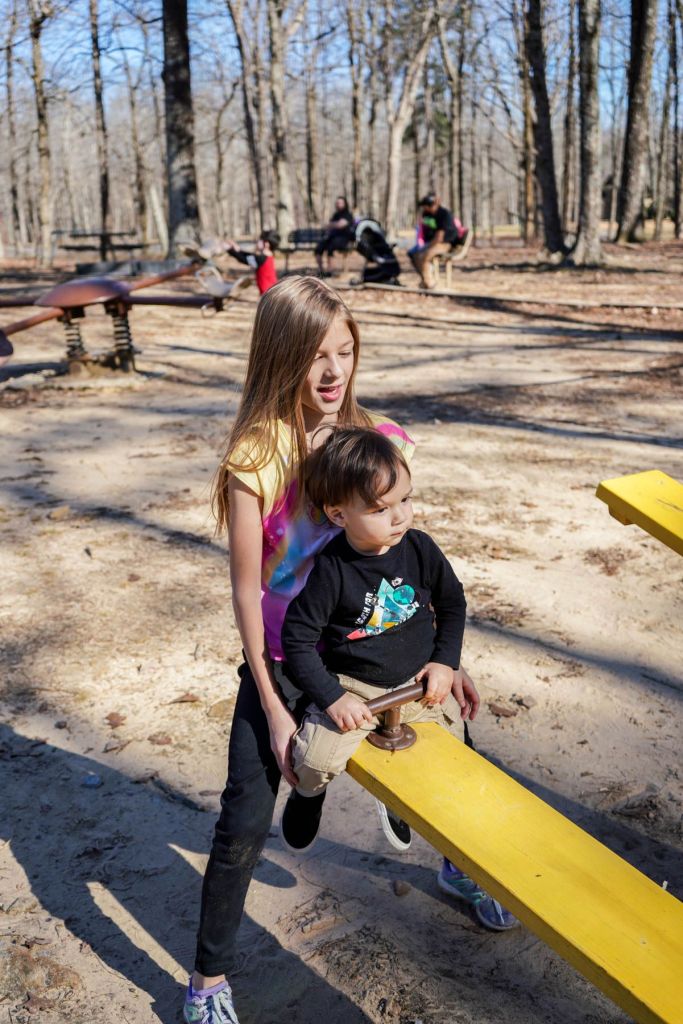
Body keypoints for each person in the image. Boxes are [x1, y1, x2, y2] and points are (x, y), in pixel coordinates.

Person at [183, 276, 416, 1024]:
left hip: (365, 645)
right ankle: (207, 982)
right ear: (281, 357)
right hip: (286, 657)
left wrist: (442, 657)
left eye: (345, 351)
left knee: (452, 748)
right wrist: (278, 709)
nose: (332, 371)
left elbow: (403, 553)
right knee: (244, 822)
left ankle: (462, 868)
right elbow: (251, 594)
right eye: (315, 355)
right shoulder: (257, 460)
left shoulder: (373, 439)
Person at [280, 427, 519, 932]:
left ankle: (456, 861)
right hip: (358, 689)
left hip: (417, 680)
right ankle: (308, 794)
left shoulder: (420, 548)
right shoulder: (331, 572)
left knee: (455, 764)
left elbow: (452, 604)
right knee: (316, 759)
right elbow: (298, 643)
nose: (400, 516)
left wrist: (445, 662)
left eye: (405, 500)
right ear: (339, 513)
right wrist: (332, 696)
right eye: (382, 508)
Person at [408, 193, 471, 289]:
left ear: (432, 205)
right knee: (415, 255)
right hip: (432, 242)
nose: (425, 209)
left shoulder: (444, 214)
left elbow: (439, 237)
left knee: (425, 255)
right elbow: (423, 229)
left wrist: (426, 248)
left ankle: (430, 283)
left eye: (426, 206)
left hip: (445, 243)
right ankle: (426, 279)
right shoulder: (427, 214)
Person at [223, 230, 280, 294]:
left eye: (260, 240)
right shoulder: (268, 255)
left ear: (266, 244)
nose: (258, 242)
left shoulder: (261, 258)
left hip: (267, 292)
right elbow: (250, 256)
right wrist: (238, 249)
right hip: (271, 289)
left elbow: (244, 259)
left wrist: (230, 249)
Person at [315, 196, 355, 276]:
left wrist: (331, 224)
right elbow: (330, 226)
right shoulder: (335, 215)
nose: (338, 204)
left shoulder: (348, 215)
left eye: (340, 203)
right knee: (319, 247)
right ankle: (321, 271)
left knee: (331, 247)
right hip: (332, 237)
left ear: (345, 204)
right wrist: (331, 226)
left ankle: (330, 271)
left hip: (344, 239)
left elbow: (341, 225)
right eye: (337, 203)